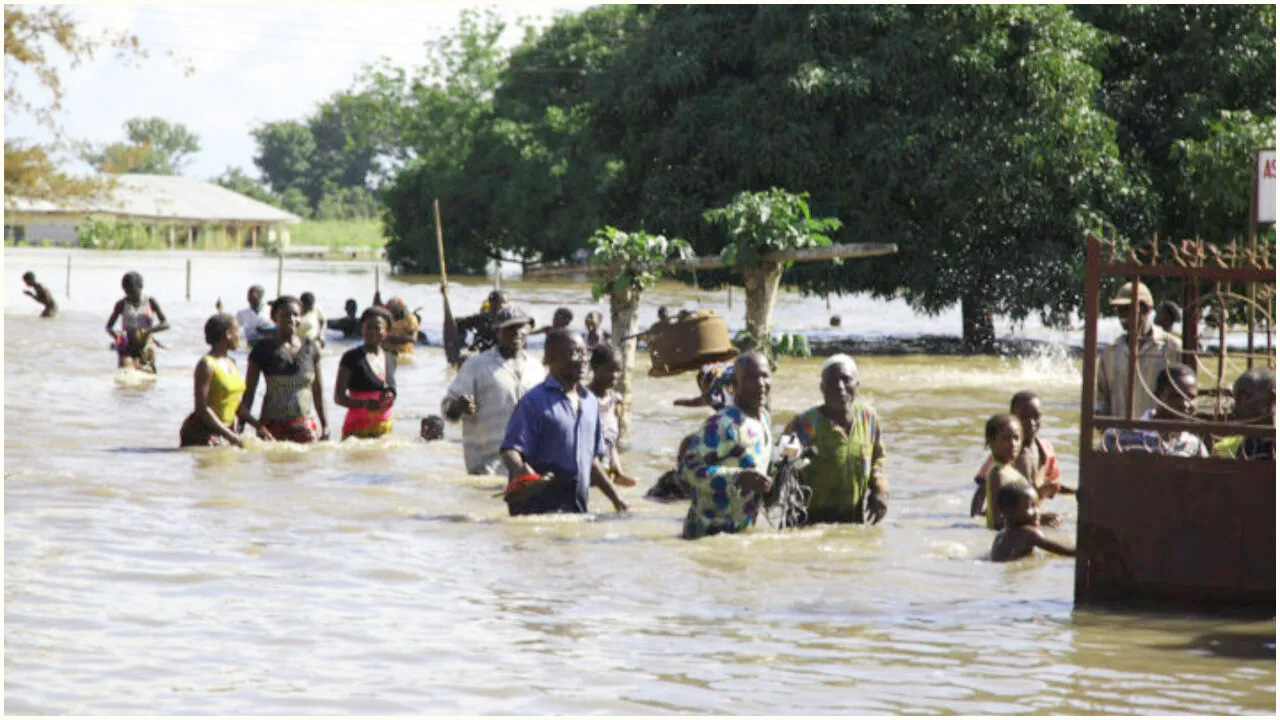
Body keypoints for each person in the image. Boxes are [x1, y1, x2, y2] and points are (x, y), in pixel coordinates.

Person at [499, 329, 628, 515]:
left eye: (585, 353)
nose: (582, 359)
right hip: (537, 512)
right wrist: (520, 470)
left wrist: (617, 499)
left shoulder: (590, 402)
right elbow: (510, 449)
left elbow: (592, 462)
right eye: (574, 353)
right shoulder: (533, 402)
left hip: (576, 511)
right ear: (550, 359)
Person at [680, 351, 775, 539]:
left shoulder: (763, 419)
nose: (760, 384)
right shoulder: (722, 424)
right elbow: (688, 470)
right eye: (751, 378)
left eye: (765, 376)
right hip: (705, 536)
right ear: (735, 384)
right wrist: (737, 479)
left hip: (740, 535)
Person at [784, 354, 888, 525]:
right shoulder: (804, 424)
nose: (840, 387)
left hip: (853, 521)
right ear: (822, 388)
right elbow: (781, 466)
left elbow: (878, 457)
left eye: (846, 380)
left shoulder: (868, 419)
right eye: (832, 381)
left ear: (857, 385)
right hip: (810, 524)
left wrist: (880, 489)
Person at [442, 306, 542, 474]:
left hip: (527, 466)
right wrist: (458, 406)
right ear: (497, 332)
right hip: (486, 466)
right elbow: (448, 409)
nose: (517, 332)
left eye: (521, 327)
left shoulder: (536, 368)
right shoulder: (476, 365)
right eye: (510, 328)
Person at [239, 295, 329, 443]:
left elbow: (318, 392)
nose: (291, 319)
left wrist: (325, 425)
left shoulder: (311, 348)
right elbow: (249, 392)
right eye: (286, 315)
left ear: (301, 318)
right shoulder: (263, 349)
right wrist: (240, 429)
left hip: (304, 427)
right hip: (272, 427)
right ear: (274, 317)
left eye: (296, 315)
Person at [969, 391, 1070, 519]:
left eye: (1036, 416)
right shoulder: (1007, 452)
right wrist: (974, 519)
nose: (1032, 423)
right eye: (1024, 417)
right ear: (1012, 419)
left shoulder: (1046, 450)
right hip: (1011, 519)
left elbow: (1053, 485)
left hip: (1029, 513)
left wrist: (1076, 494)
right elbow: (982, 489)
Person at [1096, 281, 1182, 419]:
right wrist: (1100, 413)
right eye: (1119, 310)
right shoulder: (1110, 352)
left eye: (1127, 309)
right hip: (1119, 437)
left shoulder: (1171, 348)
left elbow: (1183, 398)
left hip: (1157, 436)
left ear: (1146, 310)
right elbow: (1101, 398)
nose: (1122, 316)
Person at [180, 313, 266, 447]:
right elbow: (202, 409)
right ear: (228, 334)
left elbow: (235, 404)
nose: (240, 338)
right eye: (237, 332)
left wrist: (258, 426)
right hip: (203, 434)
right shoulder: (207, 365)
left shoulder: (232, 362)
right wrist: (232, 437)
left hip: (225, 433)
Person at [1099, 363, 1207, 457]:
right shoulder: (1118, 437)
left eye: (1191, 398)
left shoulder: (1193, 444)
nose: (1185, 404)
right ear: (1158, 395)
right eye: (1176, 396)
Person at [333, 306, 397, 439]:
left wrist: (390, 395)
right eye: (368, 327)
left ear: (386, 332)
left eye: (377, 328)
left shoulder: (391, 358)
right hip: (357, 432)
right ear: (362, 329)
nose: (372, 332)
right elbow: (339, 398)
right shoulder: (351, 358)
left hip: (385, 429)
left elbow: (390, 388)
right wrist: (365, 403)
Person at [588, 344, 638, 488]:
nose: (615, 376)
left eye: (618, 370)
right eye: (610, 370)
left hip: (605, 475)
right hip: (586, 474)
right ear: (595, 367)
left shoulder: (616, 401)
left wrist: (617, 470)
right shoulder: (583, 399)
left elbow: (611, 442)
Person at [989, 484, 1075, 562]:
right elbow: (1068, 552)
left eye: (1037, 506)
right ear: (1008, 511)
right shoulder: (1029, 534)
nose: (1037, 512)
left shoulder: (1001, 534)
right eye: (1031, 506)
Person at [105, 271, 169, 373]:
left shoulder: (150, 302)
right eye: (127, 292)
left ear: (140, 287)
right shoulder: (121, 304)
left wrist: (148, 331)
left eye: (133, 291)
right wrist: (117, 337)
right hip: (127, 345)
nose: (130, 295)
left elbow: (166, 324)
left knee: (148, 374)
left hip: (145, 344)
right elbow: (109, 327)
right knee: (126, 374)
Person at [982, 413, 1034, 531]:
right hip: (1006, 539)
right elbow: (997, 521)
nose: (1013, 444)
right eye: (1006, 439)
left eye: (1016, 438)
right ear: (991, 441)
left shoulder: (1010, 470)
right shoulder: (998, 473)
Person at [1213, 368, 1275, 460]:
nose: (1236, 407)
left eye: (1245, 397)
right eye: (1236, 398)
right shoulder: (1250, 442)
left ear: (1273, 398)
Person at [456, 290, 509, 354]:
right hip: (481, 352)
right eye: (504, 303)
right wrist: (462, 343)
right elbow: (459, 323)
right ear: (492, 303)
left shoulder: (509, 320)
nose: (506, 306)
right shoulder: (480, 318)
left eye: (506, 303)